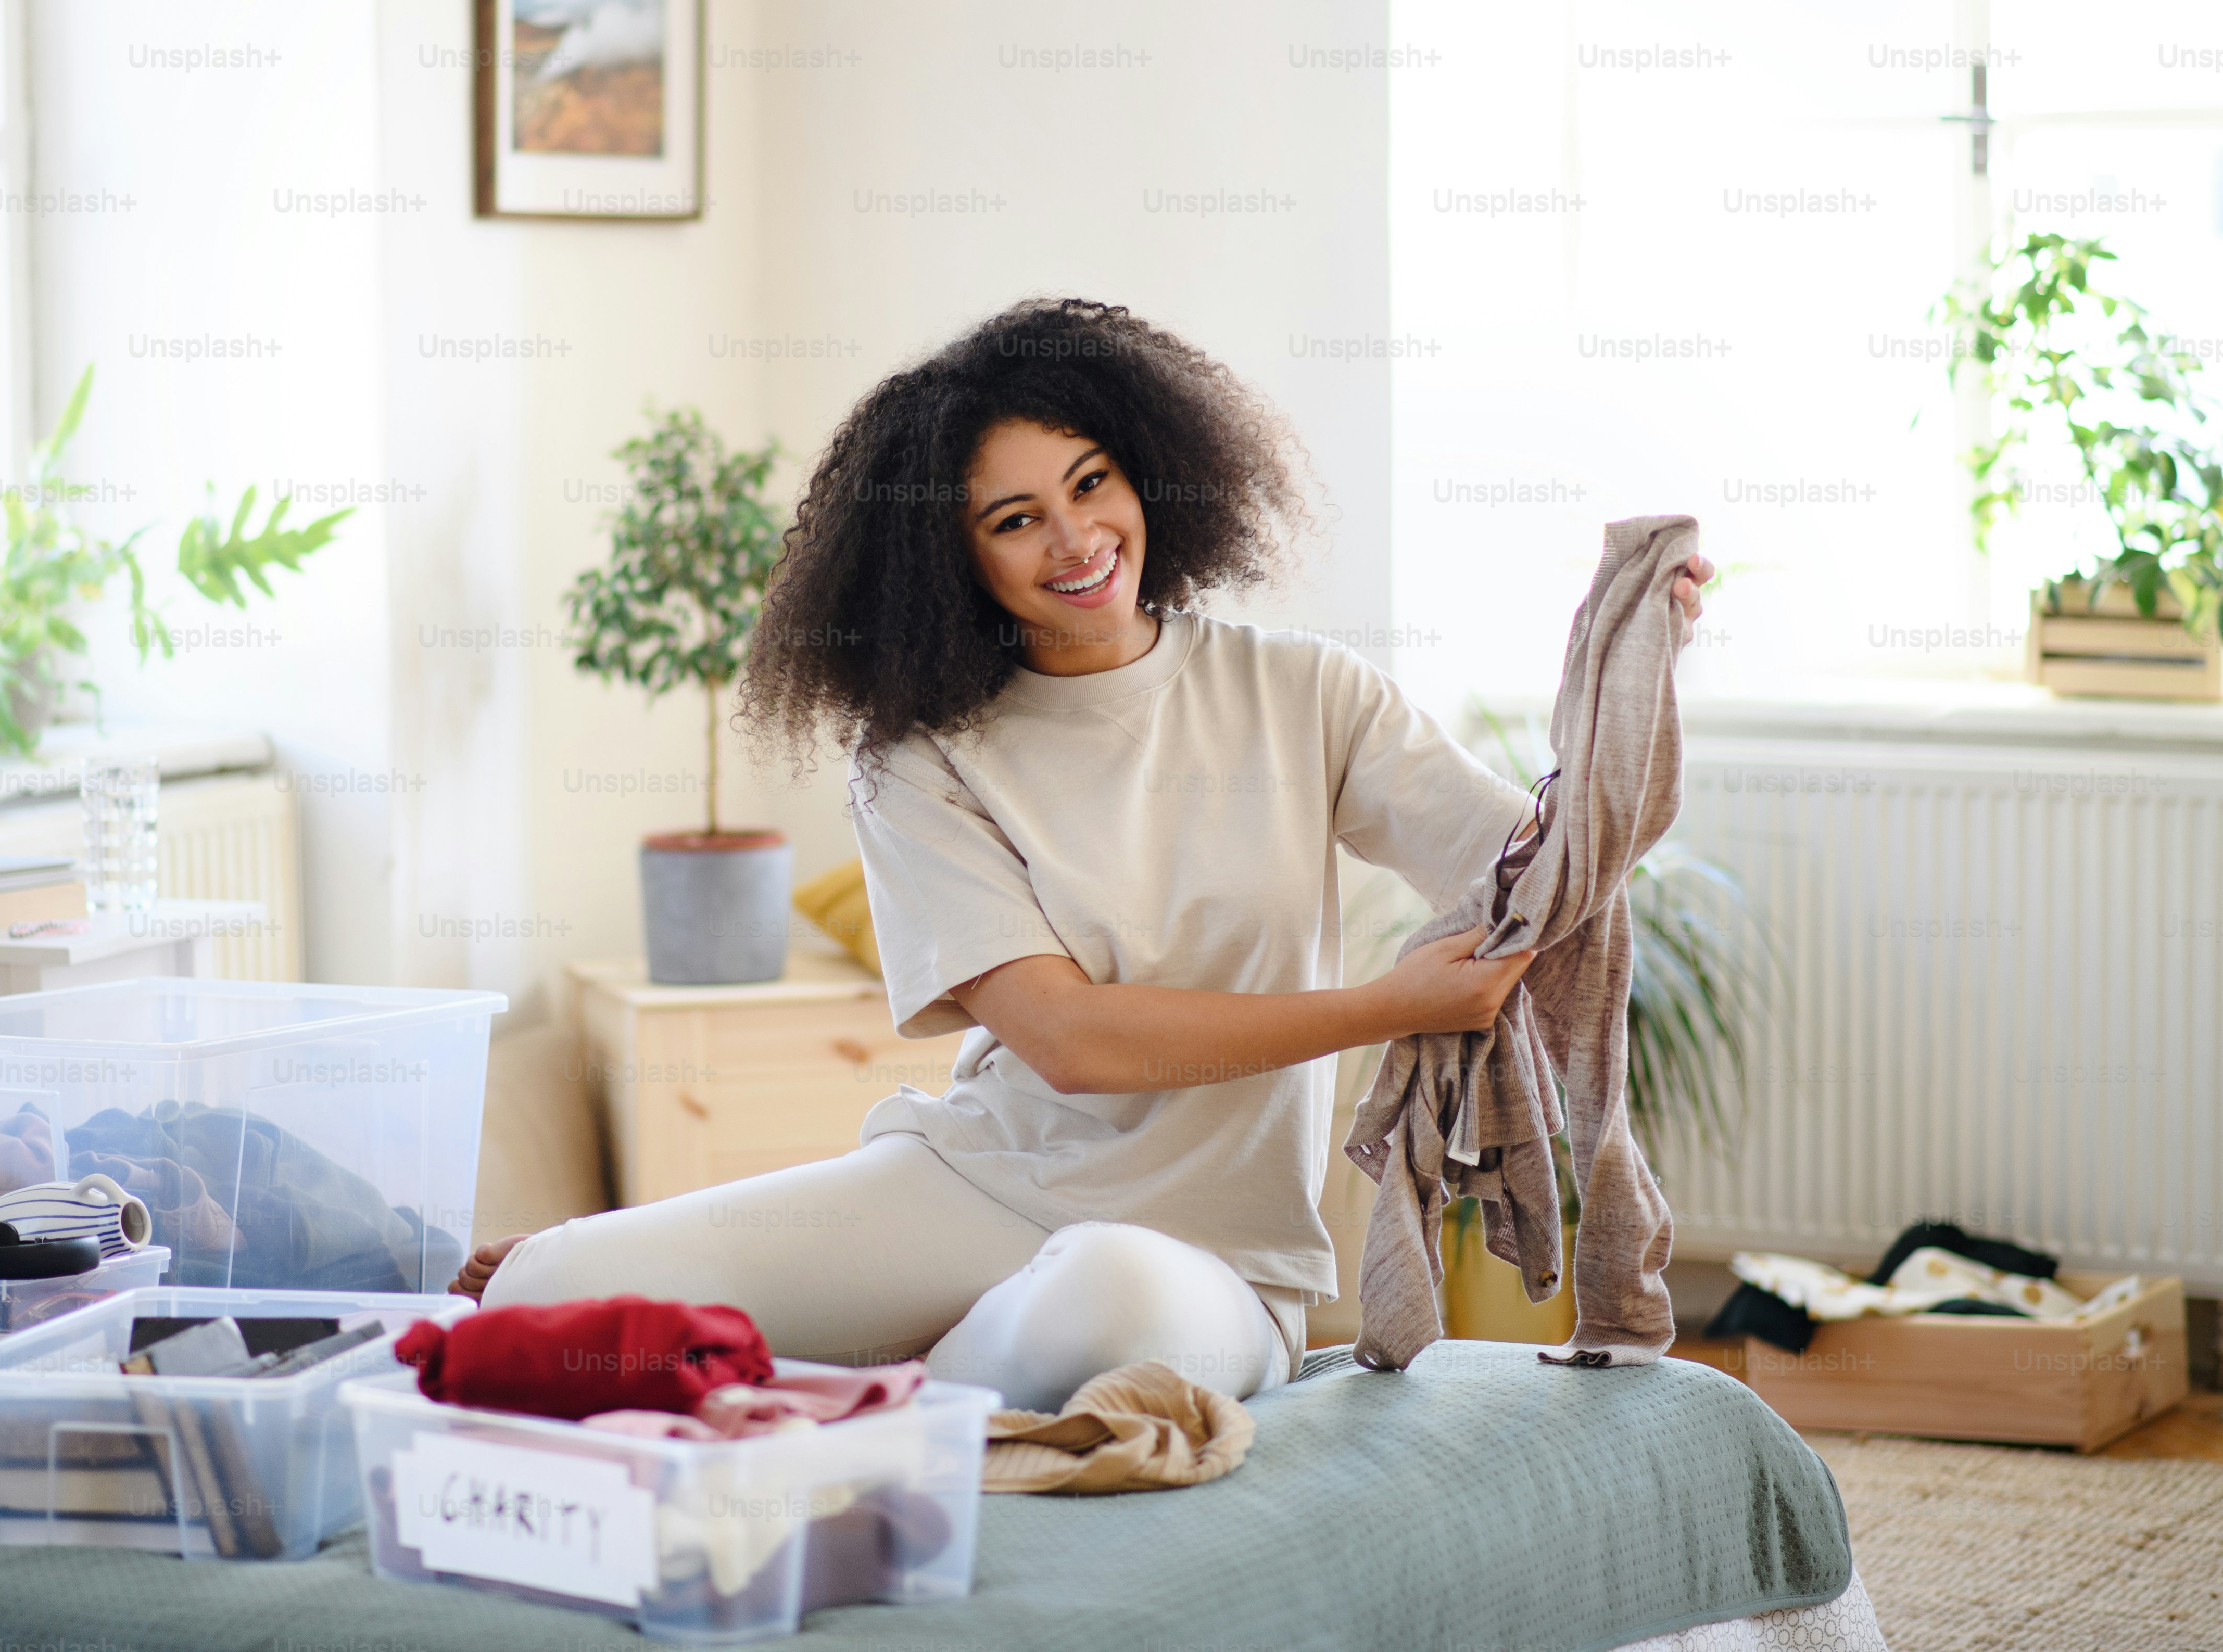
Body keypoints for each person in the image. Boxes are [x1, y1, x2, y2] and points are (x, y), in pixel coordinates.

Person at [461, 299, 1710, 1410]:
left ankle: (874, 1394)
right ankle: (892, 1362)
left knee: (1099, 1302)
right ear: (954, 563)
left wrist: (1637, 670)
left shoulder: (1302, 692)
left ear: (1151, 474)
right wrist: (1385, 1006)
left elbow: (1539, 871)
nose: (1075, 538)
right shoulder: (918, 757)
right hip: (980, 1185)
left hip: (1211, 1260)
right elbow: (1068, 1039)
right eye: (1015, 519)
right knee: (552, 1282)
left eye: (1092, 481)